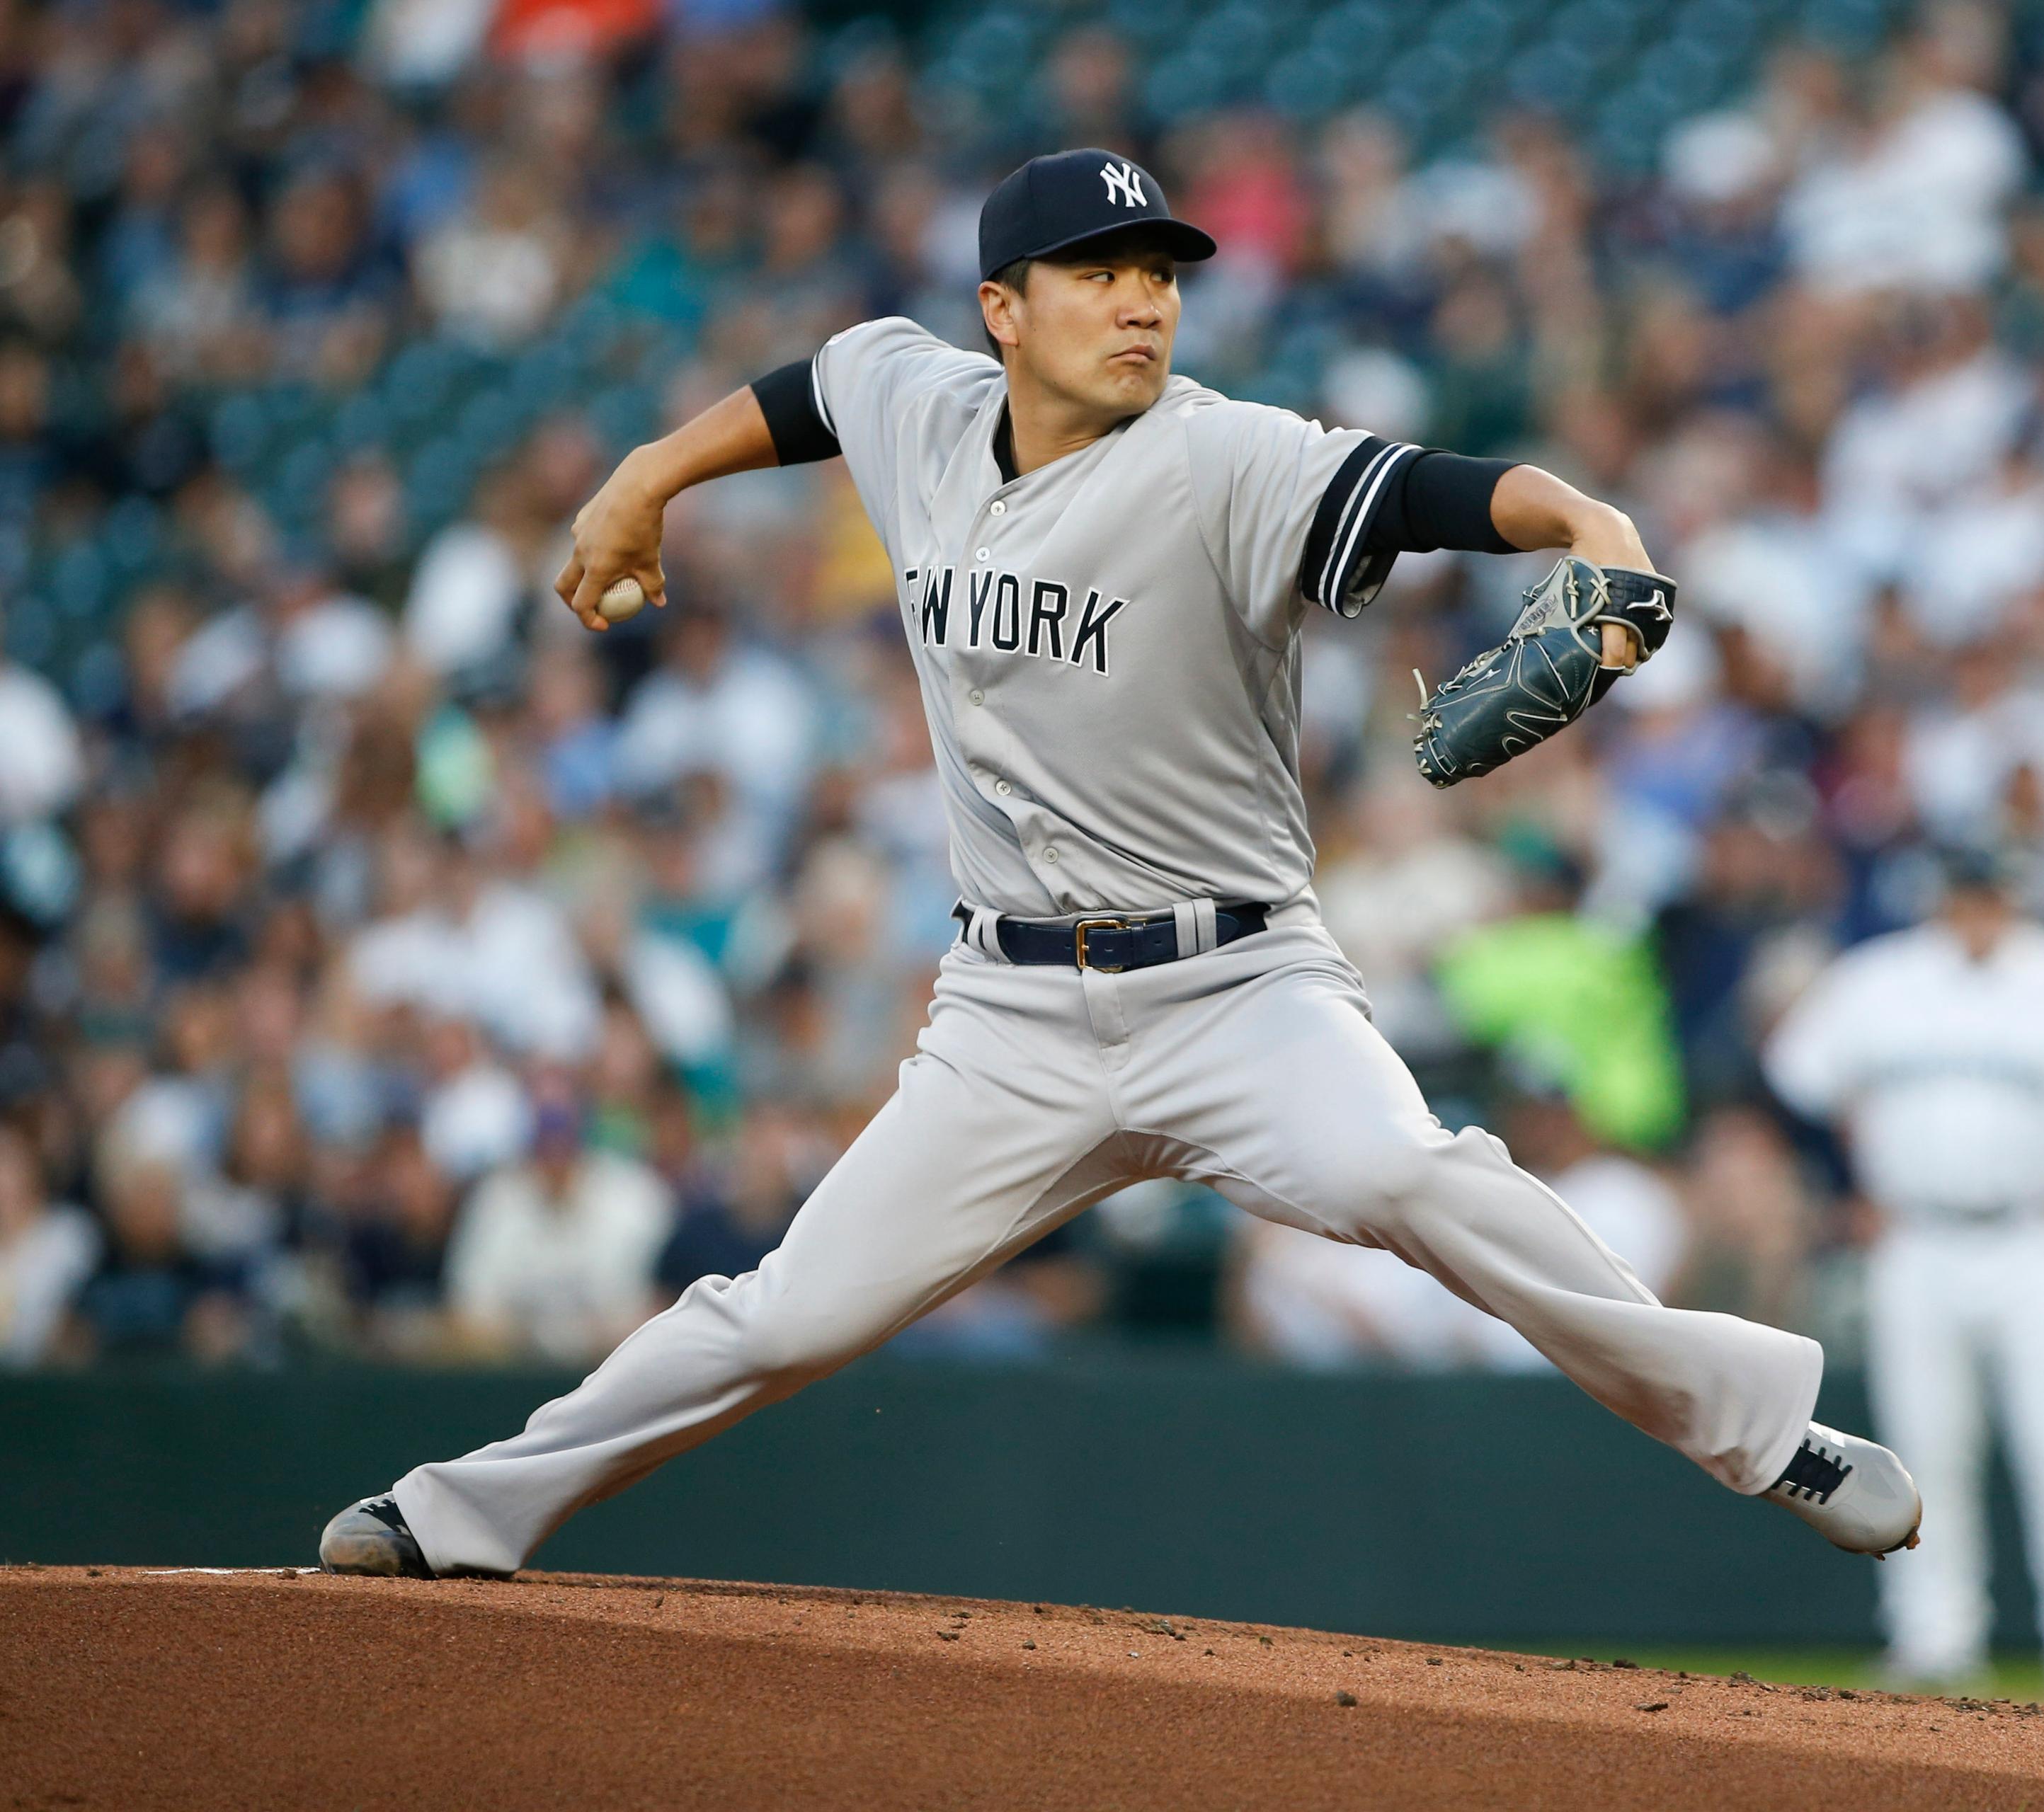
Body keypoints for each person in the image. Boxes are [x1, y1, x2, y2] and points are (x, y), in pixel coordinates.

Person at [316, 148, 1921, 1580]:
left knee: (1408, 1176)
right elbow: (814, 386)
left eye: (1158, 273)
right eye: (1099, 273)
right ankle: (460, 1510)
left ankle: (1759, 1426)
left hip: (1238, 986)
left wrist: (1587, 523)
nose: (1142, 303)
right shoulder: (914, 398)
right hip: (1006, 1014)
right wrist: (643, 477)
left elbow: (1429, 488)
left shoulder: (1225, 459)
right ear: (1000, 308)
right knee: (792, 1310)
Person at [1765, 845, 2044, 1687]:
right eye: (1965, 892)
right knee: (1925, 1445)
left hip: (2040, 1239)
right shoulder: (1882, 979)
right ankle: (1933, 1638)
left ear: (2012, 894)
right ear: (1943, 895)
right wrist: (1843, 1185)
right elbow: (1789, 1079)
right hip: (1916, 1238)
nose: (1977, 909)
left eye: (1989, 892)